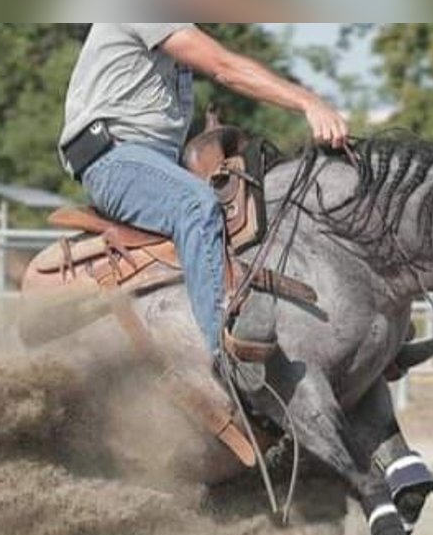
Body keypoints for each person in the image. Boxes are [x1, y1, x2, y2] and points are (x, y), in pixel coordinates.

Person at [59, 23, 349, 363]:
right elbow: (223, 68)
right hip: (112, 159)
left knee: (259, 198)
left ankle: (348, 338)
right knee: (196, 206)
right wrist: (308, 102)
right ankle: (223, 355)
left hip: (150, 161)